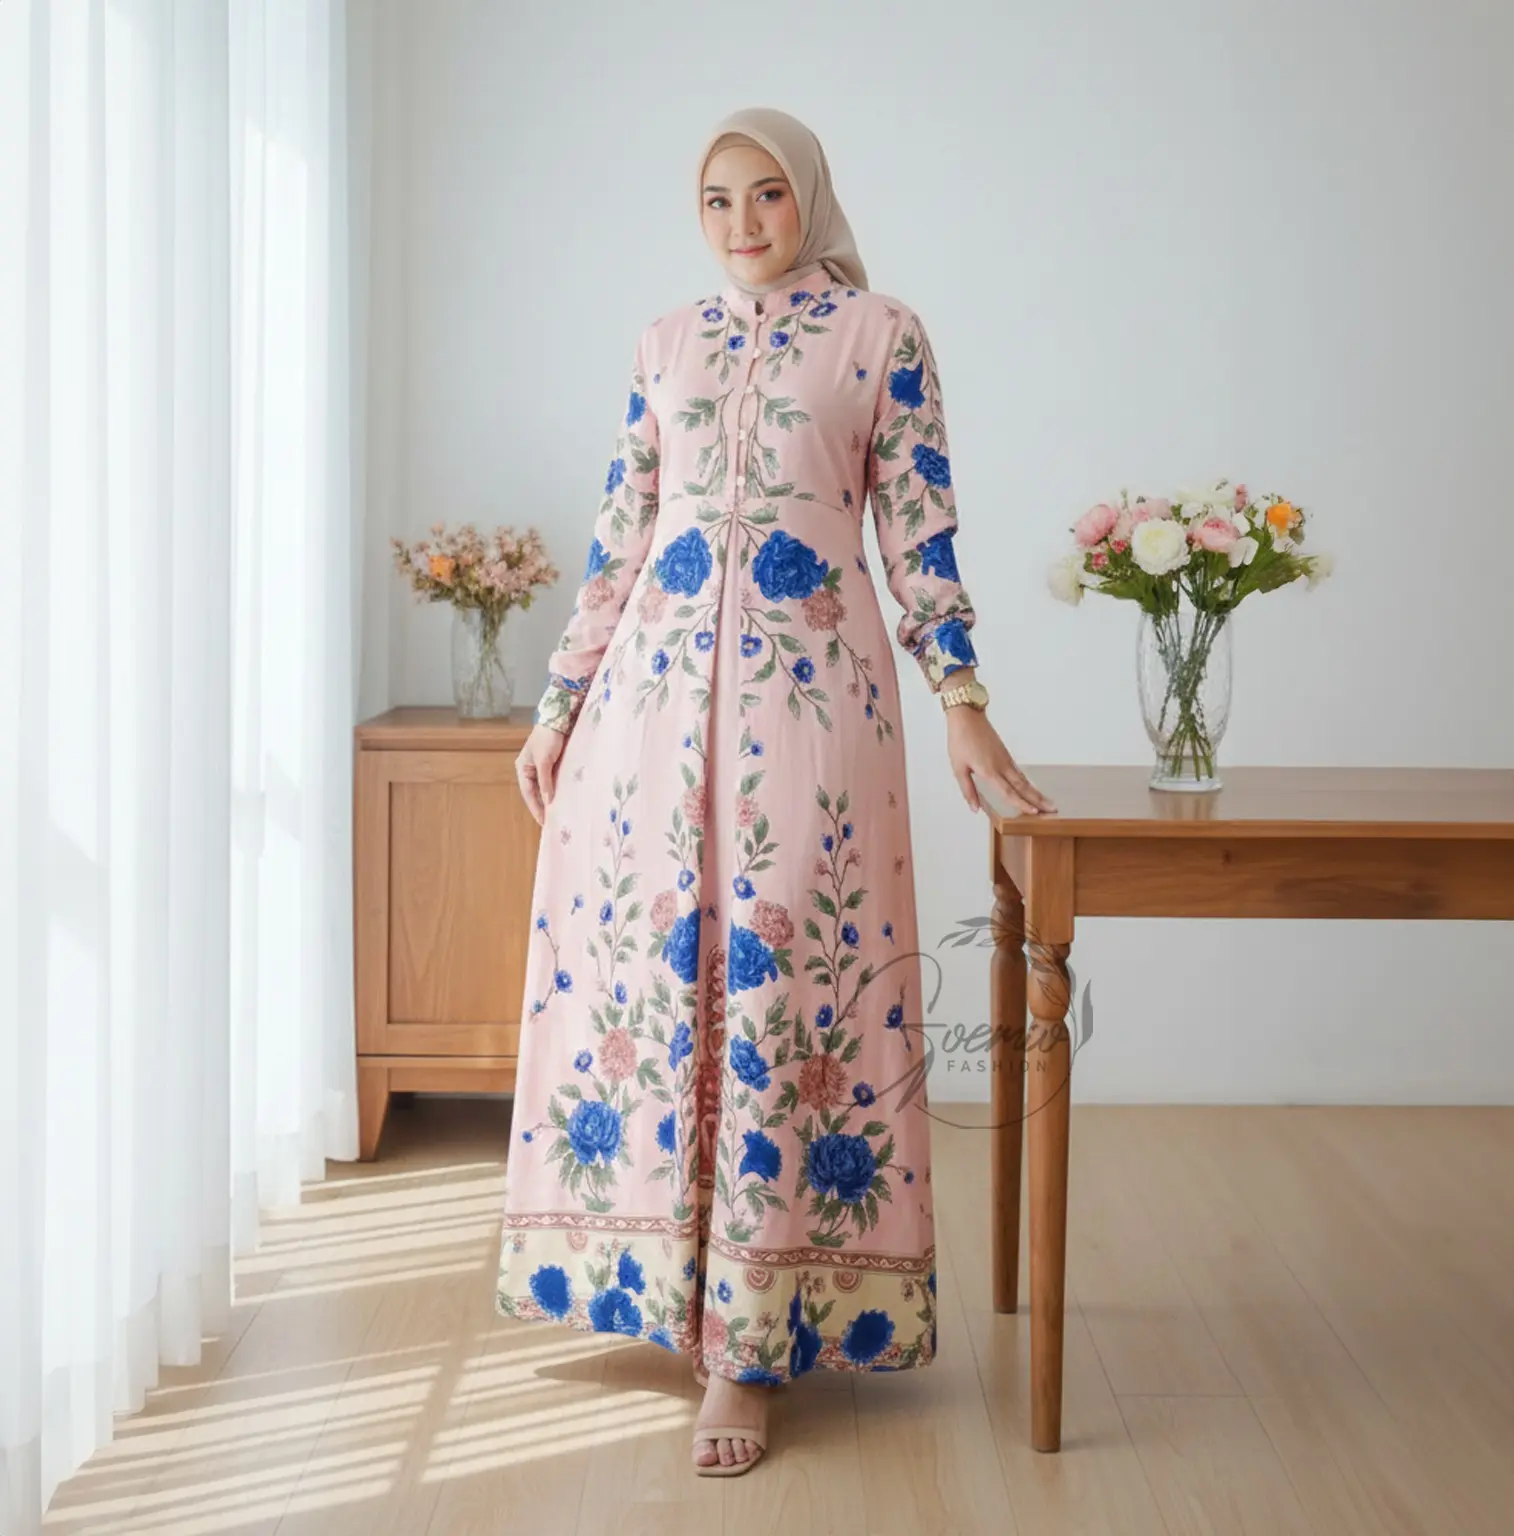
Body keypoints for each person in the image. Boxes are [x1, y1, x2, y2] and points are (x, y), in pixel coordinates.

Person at [497, 105, 1056, 1478]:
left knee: (783, 982)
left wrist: (963, 700)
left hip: (813, 707)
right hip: (649, 710)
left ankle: (748, 1349)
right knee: (656, 979)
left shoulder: (881, 336)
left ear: (809, 197)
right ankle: (664, 1298)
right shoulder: (663, 342)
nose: (741, 223)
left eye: (766, 195)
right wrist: (558, 704)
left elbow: (918, 531)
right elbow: (621, 537)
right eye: (716, 200)